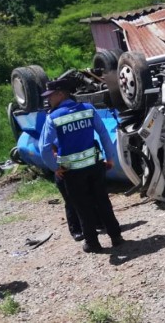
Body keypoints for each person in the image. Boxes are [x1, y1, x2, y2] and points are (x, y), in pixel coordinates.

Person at [38, 79, 123, 253]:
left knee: (82, 207)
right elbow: (104, 134)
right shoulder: (88, 109)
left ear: (61, 94)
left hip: (72, 172)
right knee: (102, 201)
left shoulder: (53, 117)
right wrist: (110, 158)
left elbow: (44, 148)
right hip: (94, 165)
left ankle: (92, 243)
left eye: (51, 96)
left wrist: (55, 167)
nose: (48, 100)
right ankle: (116, 237)